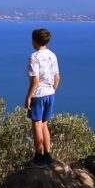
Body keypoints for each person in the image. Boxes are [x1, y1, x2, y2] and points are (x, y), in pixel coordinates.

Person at [25, 28, 61, 166]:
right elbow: (57, 77)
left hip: (38, 94)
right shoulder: (52, 55)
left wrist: (29, 96)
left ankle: (38, 157)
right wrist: (52, 89)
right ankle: (48, 155)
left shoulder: (34, 57)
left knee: (37, 125)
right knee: (45, 124)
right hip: (50, 93)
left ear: (34, 40)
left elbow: (35, 80)